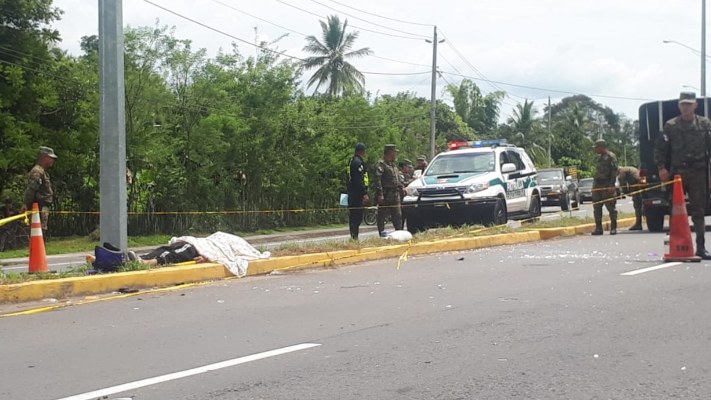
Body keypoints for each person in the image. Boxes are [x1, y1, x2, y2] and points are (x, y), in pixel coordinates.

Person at [654, 92, 711, 259]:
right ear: (679, 106)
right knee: (675, 210)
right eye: (683, 104)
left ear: (695, 105)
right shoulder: (671, 125)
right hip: (678, 173)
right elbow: (660, 149)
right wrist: (661, 168)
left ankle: (700, 247)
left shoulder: (704, 124)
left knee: (699, 210)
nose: (686, 107)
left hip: (699, 172)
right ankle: (677, 246)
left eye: (689, 104)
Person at [373, 144, 405, 237]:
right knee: (382, 215)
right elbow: (377, 179)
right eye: (395, 152)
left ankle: (399, 234)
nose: (396, 154)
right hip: (386, 194)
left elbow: (396, 178)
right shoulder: (381, 165)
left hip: (395, 194)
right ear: (390, 152)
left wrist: (401, 187)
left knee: (398, 215)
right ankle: (382, 234)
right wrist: (380, 194)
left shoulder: (393, 165)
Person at [24, 146, 57, 230]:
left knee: (42, 231)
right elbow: (31, 190)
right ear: (44, 157)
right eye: (50, 158)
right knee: (38, 231)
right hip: (38, 207)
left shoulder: (43, 171)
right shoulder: (37, 171)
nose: (53, 160)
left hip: (43, 207)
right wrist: (27, 205)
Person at [591, 140, 618, 236]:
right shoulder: (599, 158)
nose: (595, 149)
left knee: (611, 207)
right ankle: (598, 228)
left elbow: (614, 172)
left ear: (602, 147)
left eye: (597, 147)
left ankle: (613, 227)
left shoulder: (611, 157)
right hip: (598, 185)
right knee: (597, 207)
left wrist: (611, 185)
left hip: (607, 185)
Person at [347, 143, 369, 240]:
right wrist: (364, 193)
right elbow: (358, 179)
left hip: (351, 192)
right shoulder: (358, 163)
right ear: (362, 151)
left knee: (353, 216)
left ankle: (354, 236)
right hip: (357, 194)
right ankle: (354, 237)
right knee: (357, 216)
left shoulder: (351, 161)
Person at [617, 166, 643, 231]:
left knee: (637, 205)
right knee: (640, 204)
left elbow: (622, 182)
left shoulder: (622, 171)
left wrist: (626, 192)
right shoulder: (628, 168)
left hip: (636, 184)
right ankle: (639, 222)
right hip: (640, 183)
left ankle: (638, 224)